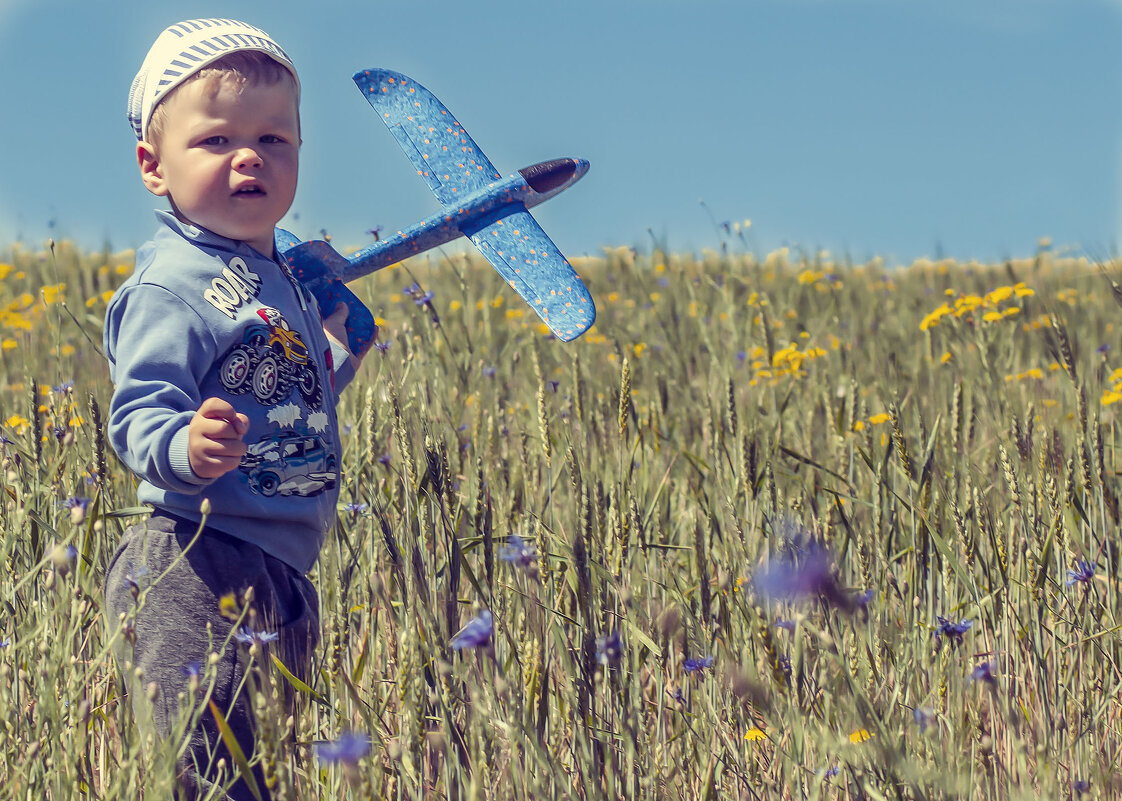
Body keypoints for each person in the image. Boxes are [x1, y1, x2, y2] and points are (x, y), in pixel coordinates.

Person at [102, 18, 366, 800]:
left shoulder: (273, 276)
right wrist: (185, 442)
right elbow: (138, 409)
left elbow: (281, 406)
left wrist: (339, 354)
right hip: (194, 559)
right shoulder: (171, 283)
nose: (249, 156)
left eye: (274, 140)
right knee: (208, 774)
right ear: (155, 166)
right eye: (216, 141)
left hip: (282, 568)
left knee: (263, 772)